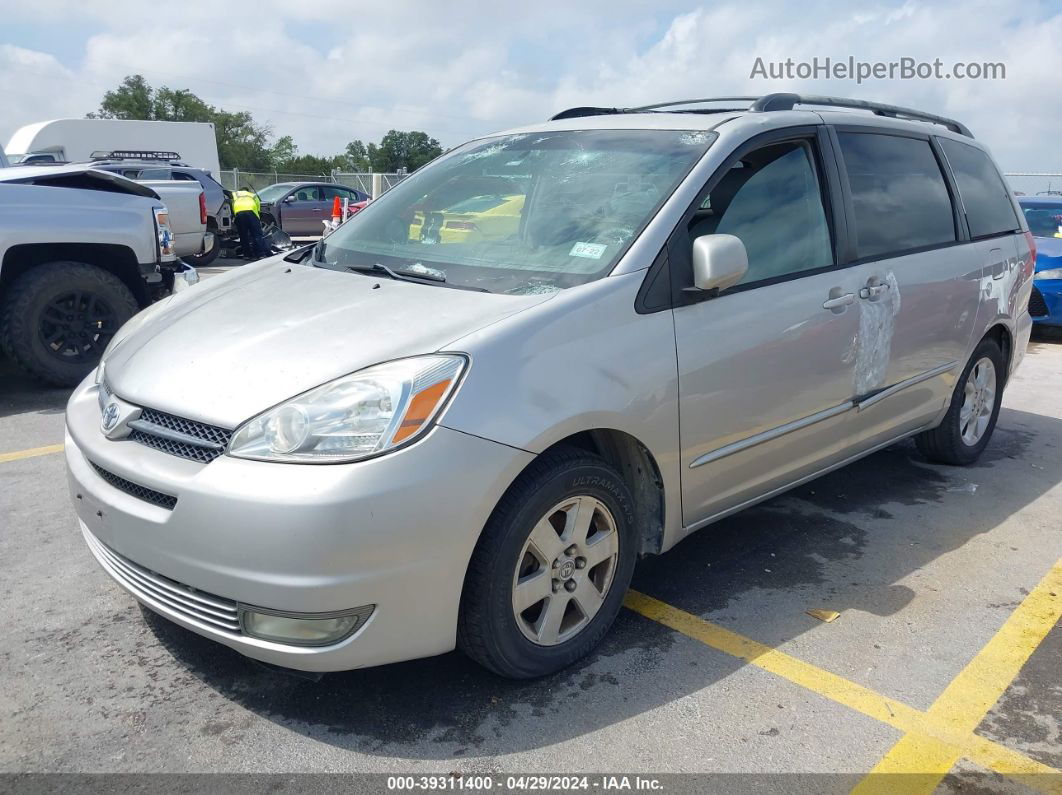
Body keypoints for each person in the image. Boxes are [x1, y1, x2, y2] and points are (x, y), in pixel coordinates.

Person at [231, 188, 270, 260]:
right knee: (257, 235)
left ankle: (247, 255)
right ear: (247, 191)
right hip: (251, 213)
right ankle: (260, 254)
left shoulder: (235, 194)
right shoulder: (253, 195)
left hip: (239, 214)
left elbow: (231, 204)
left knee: (243, 236)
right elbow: (258, 209)